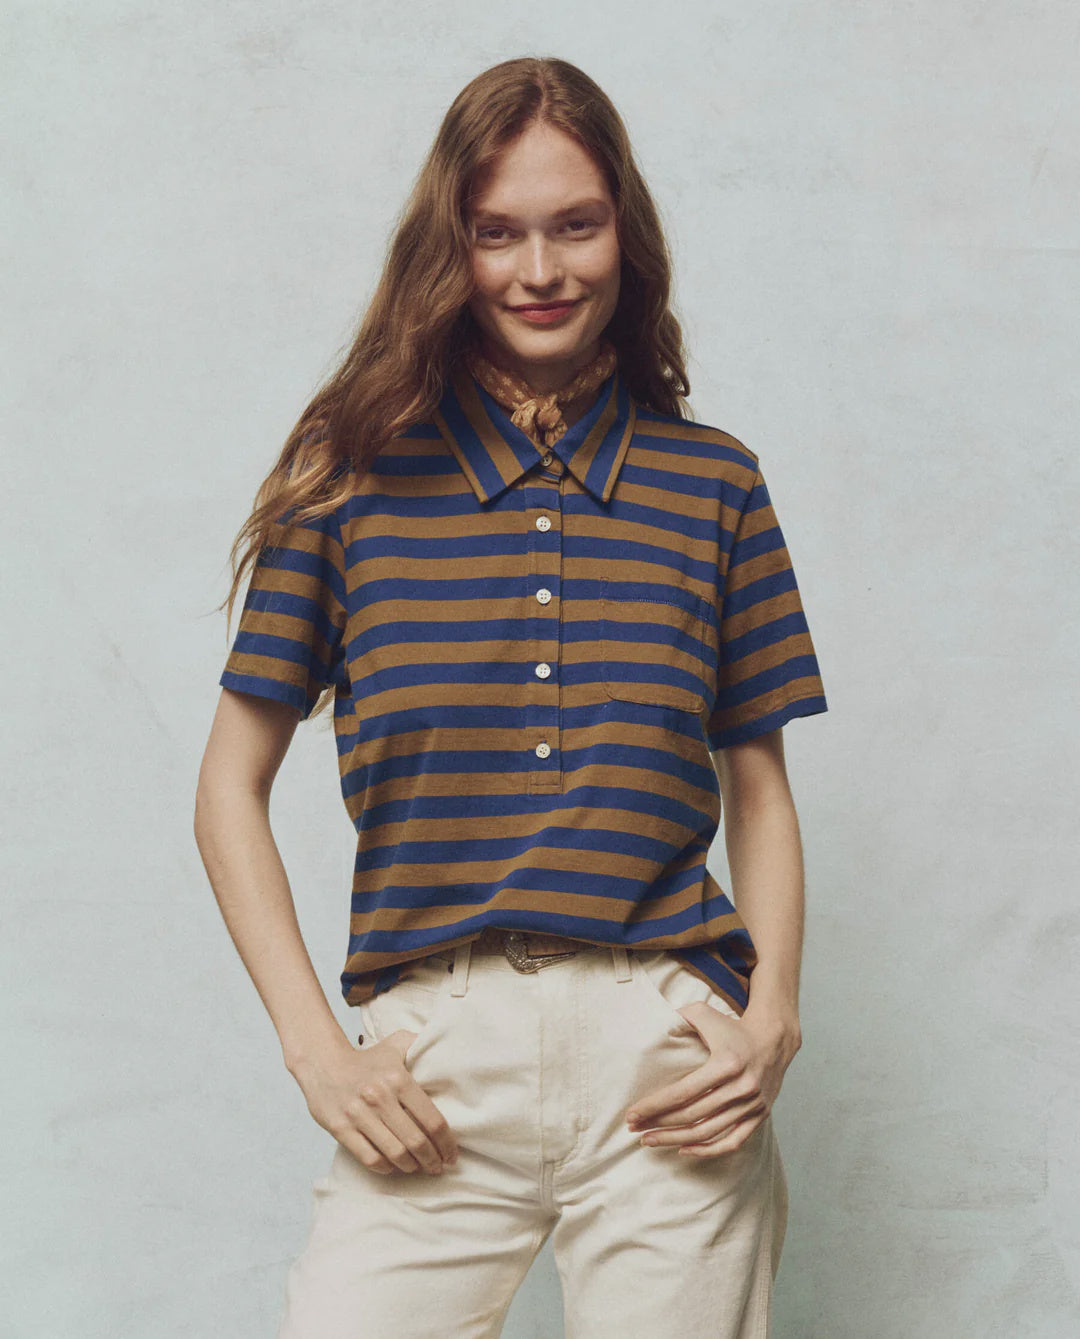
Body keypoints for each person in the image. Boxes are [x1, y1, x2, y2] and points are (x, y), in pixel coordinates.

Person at [194, 55, 828, 1339]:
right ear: (452, 246)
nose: (541, 271)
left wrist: (770, 1022)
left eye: (575, 226)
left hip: (665, 1054)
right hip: (439, 1056)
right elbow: (227, 789)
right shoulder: (351, 475)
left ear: (625, 236)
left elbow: (757, 788)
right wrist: (318, 1049)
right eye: (499, 233)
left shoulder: (715, 485)